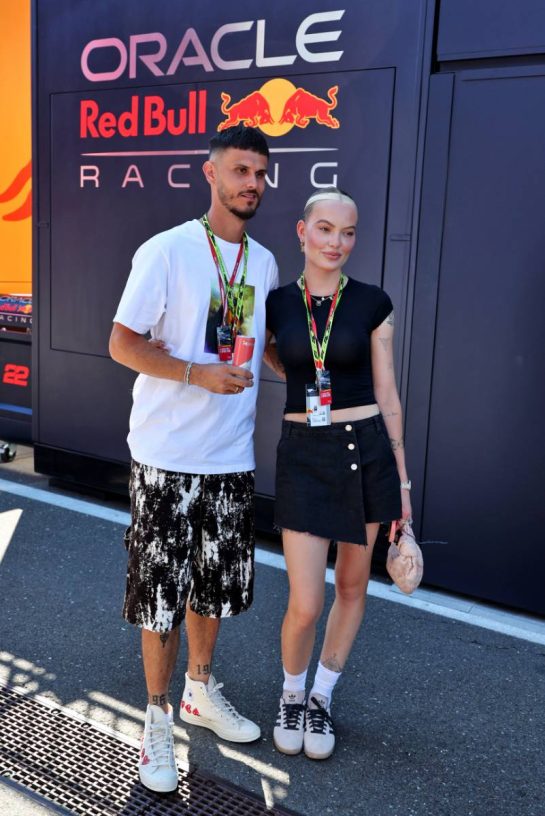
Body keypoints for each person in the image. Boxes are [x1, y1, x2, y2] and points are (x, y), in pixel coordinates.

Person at [109, 124, 278, 793]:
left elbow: (261, 343)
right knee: (159, 600)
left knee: (212, 589)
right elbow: (122, 343)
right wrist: (192, 373)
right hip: (165, 457)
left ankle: (198, 693)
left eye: (260, 175)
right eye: (240, 171)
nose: (251, 185)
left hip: (229, 458)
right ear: (208, 173)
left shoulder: (262, 264)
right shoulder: (167, 251)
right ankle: (154, 719)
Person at [264, 187, 412, 760]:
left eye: (348, 233)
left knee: (351, 587)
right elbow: (267, 354)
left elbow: (387, 393)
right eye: (325, 230)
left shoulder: (373, 302)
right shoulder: (277, 303)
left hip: (367, 449)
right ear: (302, 232)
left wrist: (401, 484)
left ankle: (322, 696)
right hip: (304, 452)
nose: (337, 243)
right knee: (305, 601)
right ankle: (292, 693)